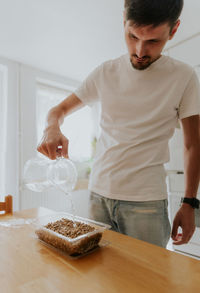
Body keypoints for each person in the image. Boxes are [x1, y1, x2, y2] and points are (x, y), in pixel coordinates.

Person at [37, 0, 200, 248]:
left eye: (153, 41)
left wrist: (190, 202)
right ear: (124, 20)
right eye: (132, 36)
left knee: (147, 281)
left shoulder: (184, 76)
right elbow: (57, 110)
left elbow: (193, 144)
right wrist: (51, 128)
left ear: (174, 30)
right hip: (97, 197)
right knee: (100, 278)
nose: (140, 51)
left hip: (147, 202)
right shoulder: (105, 72)